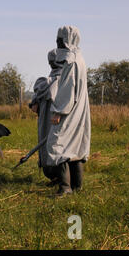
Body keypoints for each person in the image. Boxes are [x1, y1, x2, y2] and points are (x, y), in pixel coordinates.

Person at [45, 25, 91, 196]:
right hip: (78, 109)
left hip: (68, 110)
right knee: (75, 145)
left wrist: (58, 111)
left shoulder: (71, 61)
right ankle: (77, 186)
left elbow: (67, 90)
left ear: (67, 40)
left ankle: (65, 188)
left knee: (58, 144)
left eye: (60, 40)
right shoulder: (79, 58)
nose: (58, 44)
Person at [29, 49, 63, 185]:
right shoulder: (62, 81)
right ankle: (58, 177)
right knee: (55, 145)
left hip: (50, 120)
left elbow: (36, 101)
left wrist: (34, 101)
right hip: (53, 119)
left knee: (52, 144)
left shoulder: (45, 83)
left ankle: (57, 177)